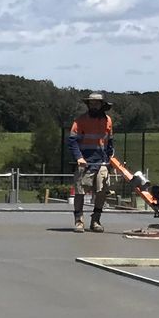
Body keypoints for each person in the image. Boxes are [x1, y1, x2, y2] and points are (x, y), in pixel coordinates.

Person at [66, 92, 115, 232]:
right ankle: (79, 221)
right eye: (91, 103)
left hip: (102, 162)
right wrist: (79, 157)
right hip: (85, 162)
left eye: (96, 103)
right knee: (80, 192)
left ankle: (96, 220)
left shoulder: (108, 121)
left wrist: (110, 158)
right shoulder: (80, 121)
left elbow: (110, 142)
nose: (93, 106)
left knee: (101, 191)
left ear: (102, 105)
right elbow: (72, 141)